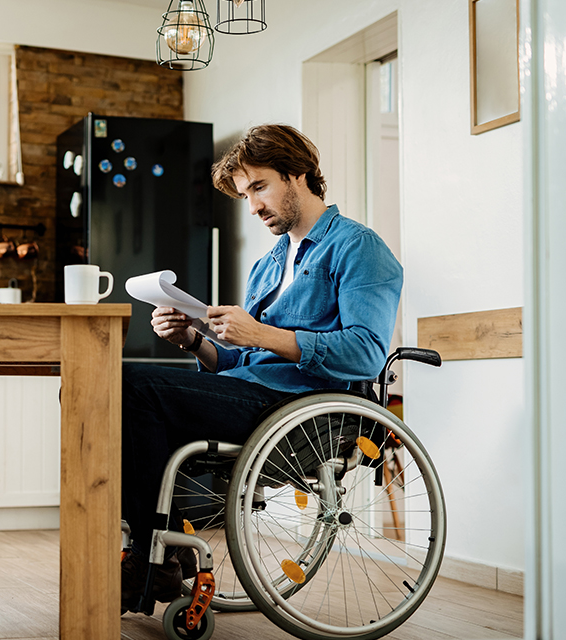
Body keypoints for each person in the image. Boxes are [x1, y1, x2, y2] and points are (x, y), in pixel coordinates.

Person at [120, 124, 404, 613]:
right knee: (98, 386)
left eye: (259, 187)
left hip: (300, 412)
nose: (252, 206)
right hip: (250, 396)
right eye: (244, 195)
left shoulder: (359, 248)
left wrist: (261, 334)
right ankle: (155, 547)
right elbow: (241, 360)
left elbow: (365, 352)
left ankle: (153, 557)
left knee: (125, 385)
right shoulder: (268, 264)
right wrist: (193, 340)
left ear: (298, 174)